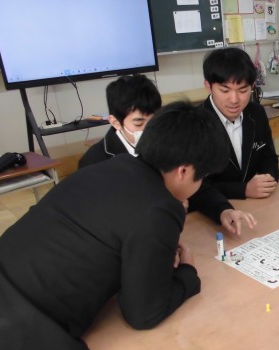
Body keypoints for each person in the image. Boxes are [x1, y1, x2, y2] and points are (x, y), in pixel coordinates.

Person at [0, 102, 231, 350]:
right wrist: (188, 276)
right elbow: (143, 313)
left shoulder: (106, 168)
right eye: (201, 177)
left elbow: (104, 240)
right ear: (184, 170)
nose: (199, 185)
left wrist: (153, 255)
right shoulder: (160, 207)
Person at [78, 74, 255, 235]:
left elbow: (196, 182)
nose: (149, 129)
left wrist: (222, 210)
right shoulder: (94, 162)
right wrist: (167, 206)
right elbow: (104, 218)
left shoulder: (166, 140)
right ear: (115, 122)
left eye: (154, 119)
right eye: (139, 123)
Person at [201, 47, 279, 199]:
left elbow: (269, 158)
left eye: (243, 90)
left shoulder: (256, 113)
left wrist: (268, 179)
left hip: (256, 204)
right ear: (208, 86)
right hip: (214, 207)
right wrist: (243, 190)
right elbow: (194, 185)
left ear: (252, 86)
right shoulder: (194, 124)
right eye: (225, 91)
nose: (234, 100)